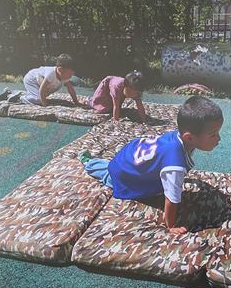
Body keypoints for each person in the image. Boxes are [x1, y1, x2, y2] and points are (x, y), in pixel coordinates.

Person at [82, 96, 223, 236]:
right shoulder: (175, 165)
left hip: (131, 154)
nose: (218, 138)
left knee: (109, 166)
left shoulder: (178, 137)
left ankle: (95, 163)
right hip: (123, 172)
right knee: (107, 173)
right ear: (189, 137)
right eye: (213, 135)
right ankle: (87, 162)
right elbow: (172, 198)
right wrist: (171, 225)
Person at [0, 54, 81, 107]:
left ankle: (16, 93)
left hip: (40, 83)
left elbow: (71, 89)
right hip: (31, 79)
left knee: (43, 95)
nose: (70, 76)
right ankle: (17, 97)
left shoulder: (64, 76)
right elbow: (42, 90)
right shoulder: (51, 74)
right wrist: (45, 105)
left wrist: (76, 102)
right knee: (38, 100)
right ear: (60, 69)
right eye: (69, 74)